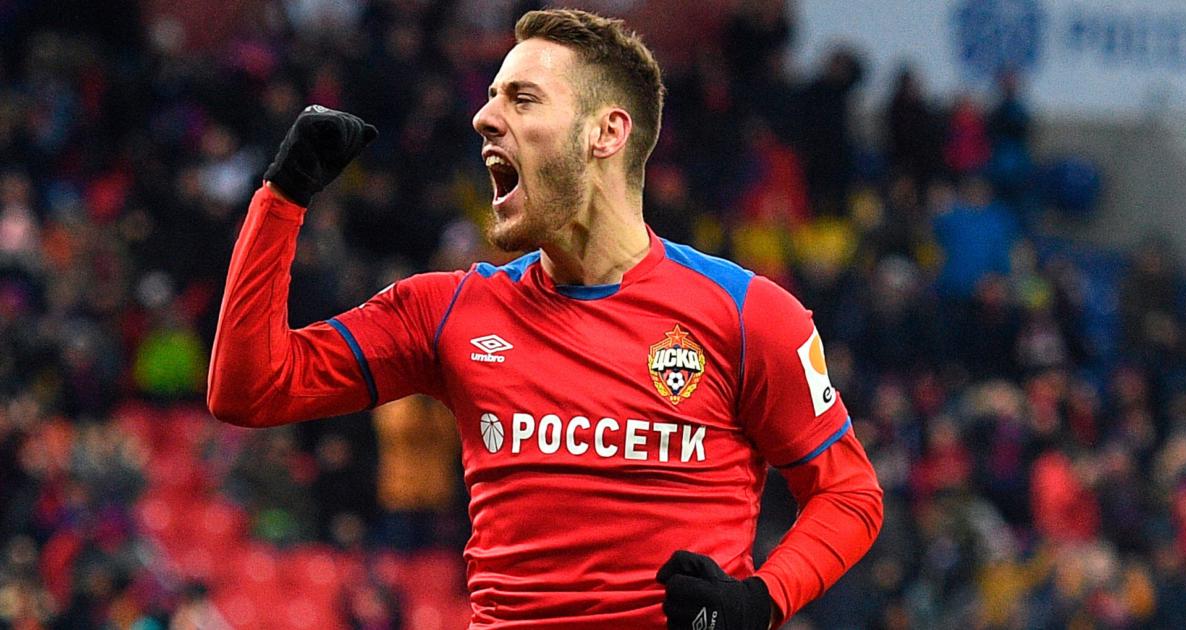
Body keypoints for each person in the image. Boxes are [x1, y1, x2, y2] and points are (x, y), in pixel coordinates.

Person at [208, 9, 882, 629]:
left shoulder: (747, 313)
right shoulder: (447, 311)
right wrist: (283, 196)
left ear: (606, 132)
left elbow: (849, 493)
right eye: (491, 96)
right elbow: (251, 389)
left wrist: (762, 600)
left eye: (522, 98)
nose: (484, 117)